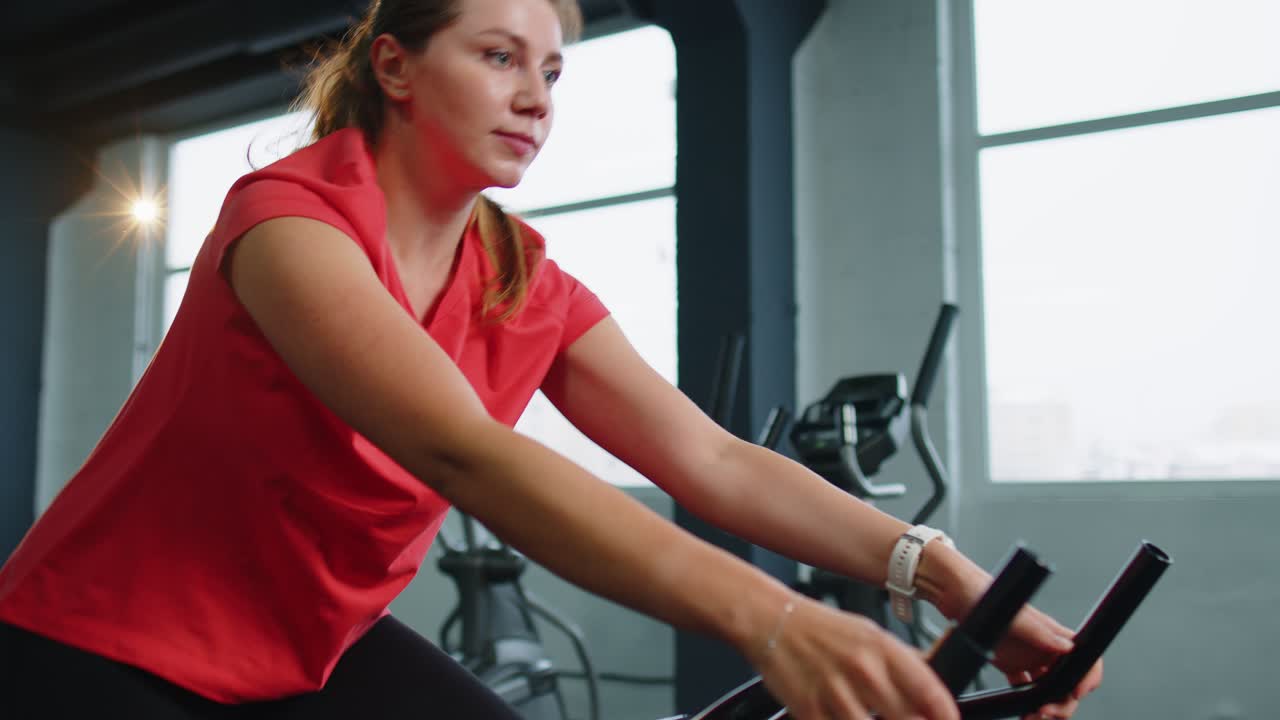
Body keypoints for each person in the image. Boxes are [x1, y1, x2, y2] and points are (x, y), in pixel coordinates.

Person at [0, 0, 1102, 718]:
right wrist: (771, 617)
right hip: (103, 650)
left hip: (307, 652)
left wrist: (950, 575)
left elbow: (709, 462)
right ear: (395, 65)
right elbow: (463, 453)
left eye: (552, 71)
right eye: (496, 58)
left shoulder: (521, 279)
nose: (535, 96)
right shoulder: (290, 226)